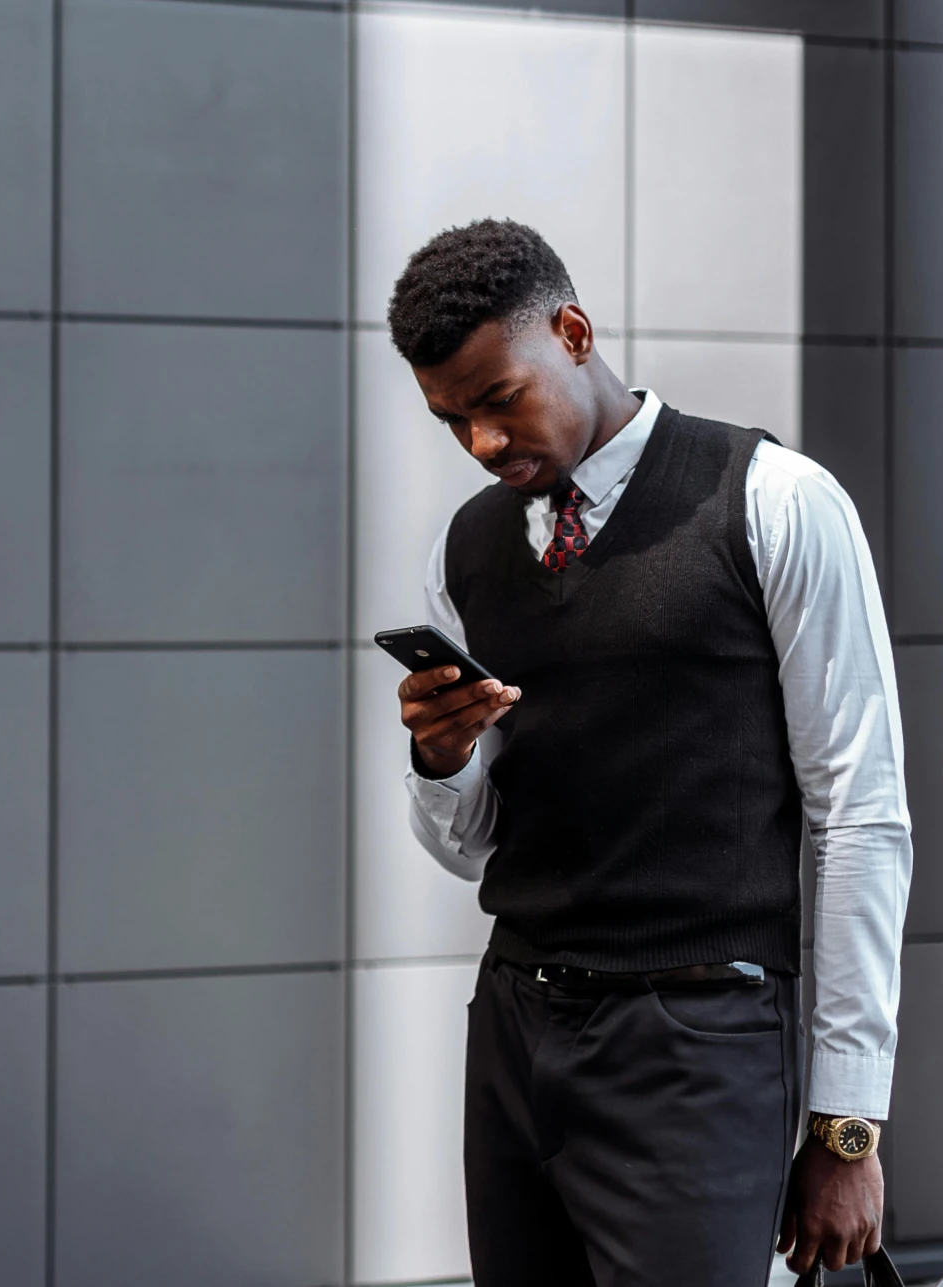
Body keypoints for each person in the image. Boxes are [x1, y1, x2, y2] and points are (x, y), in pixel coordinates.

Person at [387, 220, 911, 1285]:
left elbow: (860, 810)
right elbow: (471, 847)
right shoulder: (469, 546)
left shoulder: (770, 501)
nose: (483, 444)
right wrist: (442, 765)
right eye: (452, 421)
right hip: (515, 1026)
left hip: (697, 1034)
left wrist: (847, 1124)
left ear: (572, 331)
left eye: (498, 398)